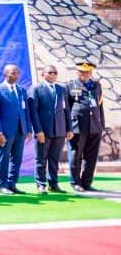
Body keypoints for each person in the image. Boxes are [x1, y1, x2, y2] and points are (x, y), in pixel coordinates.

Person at [29, 65, 69, 194]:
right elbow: (33, 112)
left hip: (59, 130)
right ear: (43, 74)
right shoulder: (36, 89)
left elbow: (66, 110)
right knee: (41, 159)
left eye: (55, 73)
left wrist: (68, 128)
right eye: (50, 72)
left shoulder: (61, 89)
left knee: (54, 159)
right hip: (43, 132)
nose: (53, 75)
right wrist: (38, 130)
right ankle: (41, 184)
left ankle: (53, 183)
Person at [0, 64, 32, 194]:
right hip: (5, 132)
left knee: (17, 158)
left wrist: (28, 129)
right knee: (3, 158)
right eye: (13, 73)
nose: (16, 75)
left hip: (20, 131)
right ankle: (2, 185)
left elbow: (26, 111)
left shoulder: (21, 90)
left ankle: (12, 183)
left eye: (17, 73)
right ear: (5, 74)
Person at [66, 62, 104, 192]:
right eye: (82, 72)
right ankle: (75, 182)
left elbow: (100, 107)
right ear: (77, 72)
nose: (85, 74)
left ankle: (86, 182)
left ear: (91, 73)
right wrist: (68, 127)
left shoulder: (96, 85)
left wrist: (101, 126)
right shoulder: (70, 86)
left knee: (91, 156)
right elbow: (67, 109)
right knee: (76, 155)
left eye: (87, 72)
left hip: (94, 126)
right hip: (77, 126)